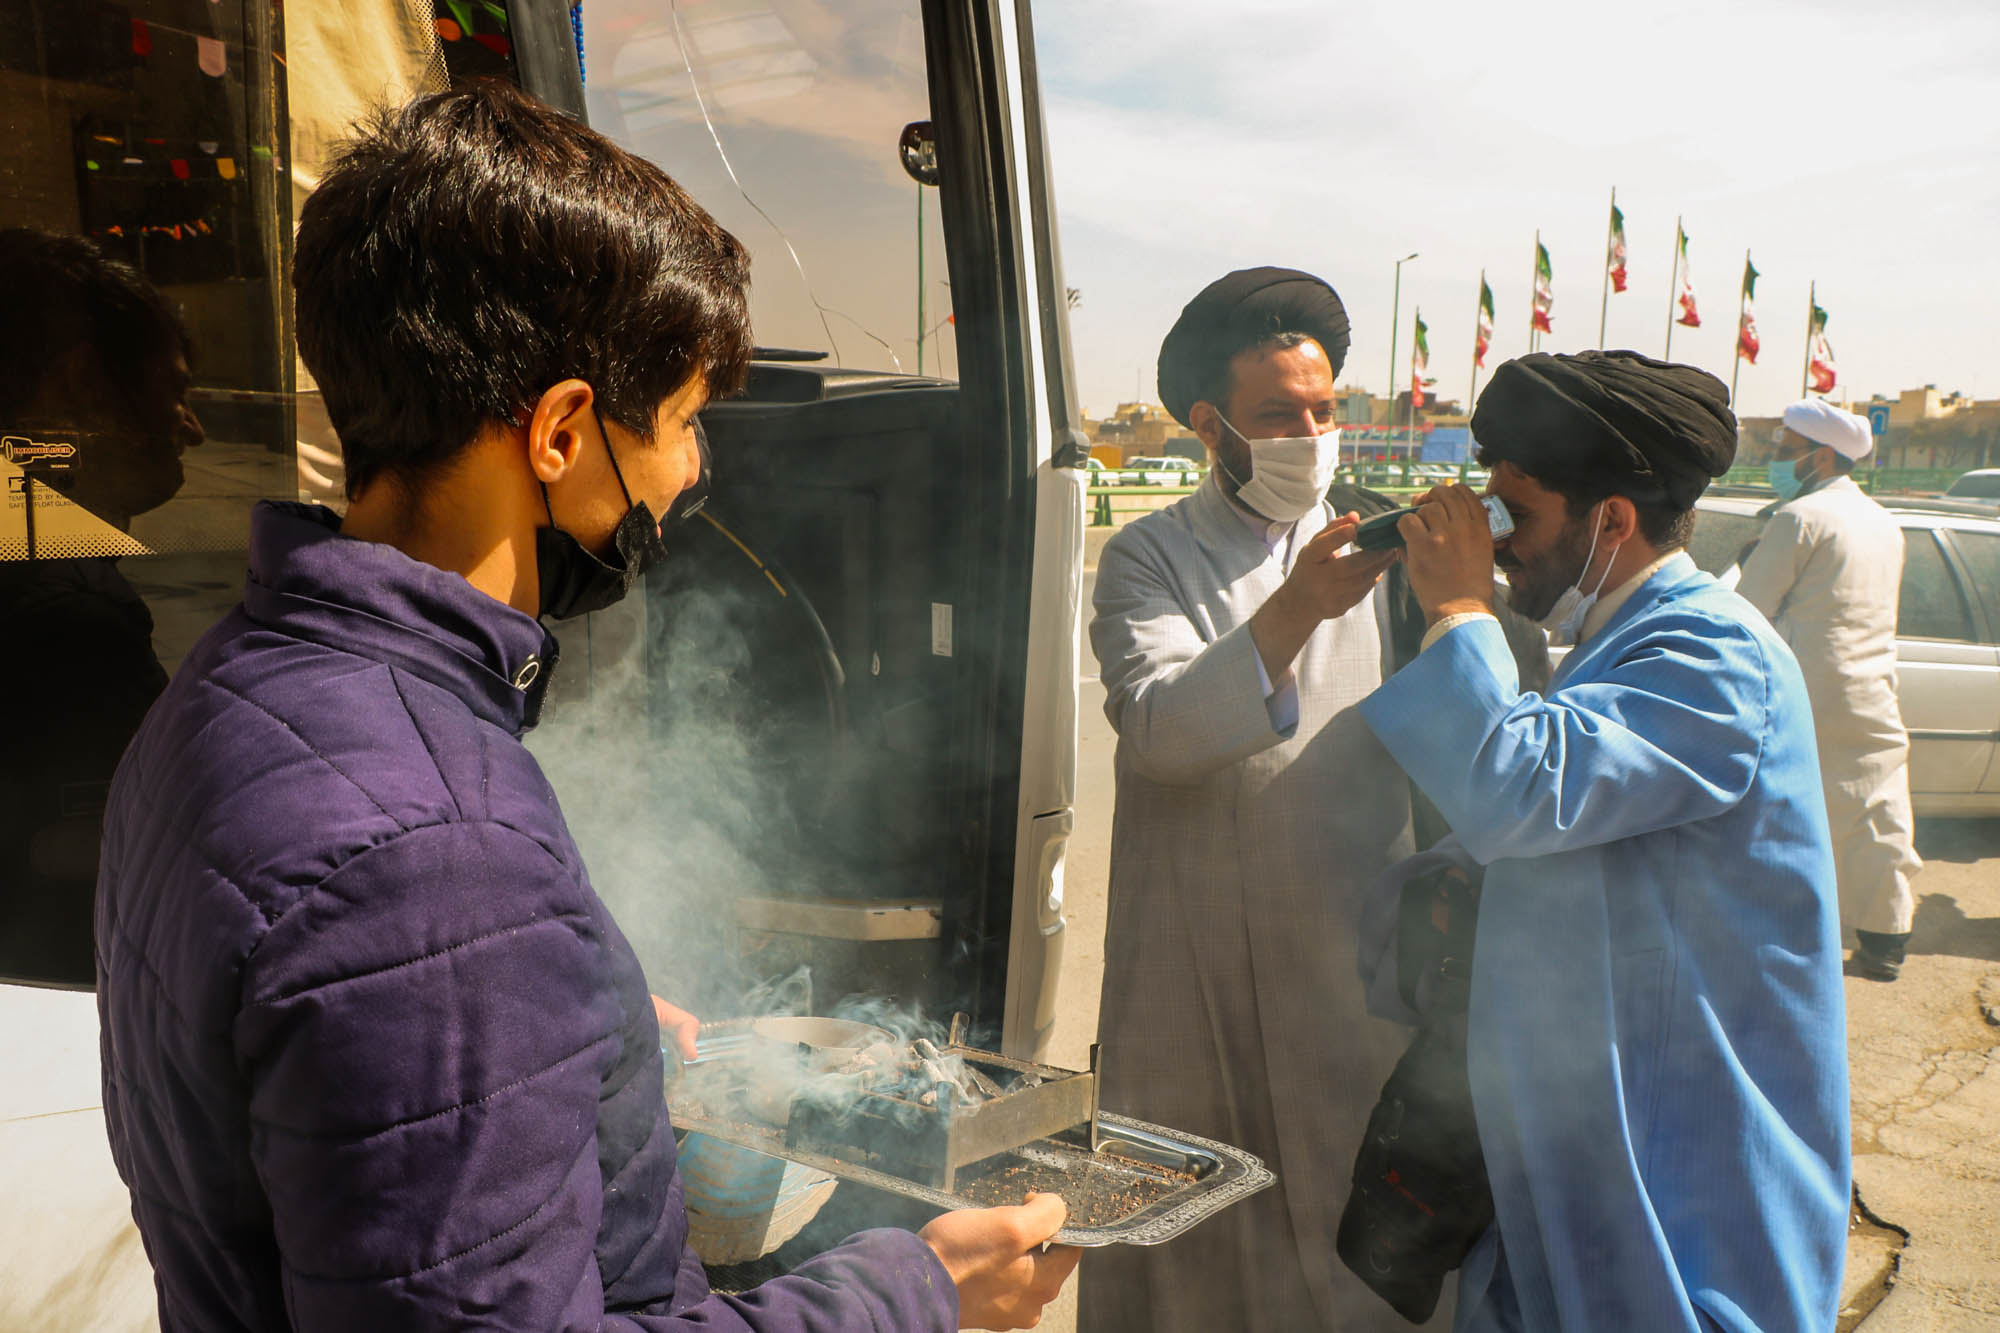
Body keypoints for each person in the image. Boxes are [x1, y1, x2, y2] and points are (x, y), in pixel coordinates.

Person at [93, 83, 1076, 1333]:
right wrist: (910, 1294)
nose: (689, 471)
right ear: (559, 431)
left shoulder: (234, 683)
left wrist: (579, 1025)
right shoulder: (435, 854)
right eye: (678, 423)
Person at [1360, 350, 1850, 1331]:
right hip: (1579, 1136)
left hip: (1681, 1158)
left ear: (1612, 519)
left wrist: (1457, 605)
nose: (1498, 549)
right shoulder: (1621, 640)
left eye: (1519, 518)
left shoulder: (1711, 651)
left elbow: (1518, 788)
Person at [1082, 267, 1435, 1333]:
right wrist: (1291, 612)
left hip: (1347, 958)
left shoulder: (1394, 550)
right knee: (1185, 1226)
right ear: (1209, 425)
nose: (1311, 432)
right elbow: (1157, 730)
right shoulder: (1150, 554)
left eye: (1325, 410)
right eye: (1279, 415)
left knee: (1351, 1236)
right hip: (1191, 957)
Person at [0, 227, 204, 983]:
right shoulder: (69, 624)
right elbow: (116, 856)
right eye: (173, 392)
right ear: (81, 384)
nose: (192, 427)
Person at [1736, 399, 1922, 981]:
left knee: (1779, 810)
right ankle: (1885, 939)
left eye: (1783, 450)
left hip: (1804, 687)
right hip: (1871, 687)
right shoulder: (1884, 522)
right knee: (1877, 808)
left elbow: (1747, 611)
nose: (1774, 459)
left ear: (1819, 457)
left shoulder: (1800, 518)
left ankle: (1776, 930)